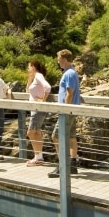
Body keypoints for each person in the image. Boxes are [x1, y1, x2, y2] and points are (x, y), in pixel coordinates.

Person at [48, 49, 81, 178]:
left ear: (65, 60)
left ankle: (63, 165)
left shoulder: (69, 74)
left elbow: (69, 93)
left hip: (68, 111)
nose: (58, 62)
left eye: (59, 59)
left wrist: (65, 110)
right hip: (72, 110)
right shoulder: (71, 72)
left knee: (56, 136)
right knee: (71, 136)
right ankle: (72, 165)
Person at [25, 60, 52, 166]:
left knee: (30, 132)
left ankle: (37, 158)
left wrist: (43, 100)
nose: (28, 69)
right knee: (36, 132)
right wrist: (30, 78)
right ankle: (39, 157)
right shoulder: (35, 77)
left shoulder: (39, 76)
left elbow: (48, 87)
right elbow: (27, 90)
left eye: (29, 67)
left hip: (38, 109)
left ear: (33, 67)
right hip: (35, 109)